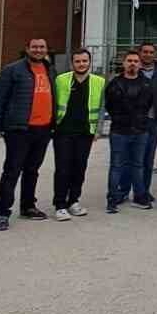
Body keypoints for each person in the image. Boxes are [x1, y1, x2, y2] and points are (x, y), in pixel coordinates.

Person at [0, 38, 56, 231]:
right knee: (12, 171)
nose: (38, 50)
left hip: (43, 128)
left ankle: (28, 206)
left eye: (42, 47)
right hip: (19, 129)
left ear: (46, 50)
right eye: (34, 47)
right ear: (27, 49)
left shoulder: (50, 69)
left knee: (32, 170)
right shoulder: (13, 70)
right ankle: (2, 212)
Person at [51, 48, 106, 221]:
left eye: (84, 61)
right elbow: (53, 103)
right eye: (78, 61)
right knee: (63, 169)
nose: (81, 64)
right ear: (72, 63)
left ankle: (73, 201)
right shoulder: (61, 80)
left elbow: (102, 107)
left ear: (89, 62)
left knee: (79, 168)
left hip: (85, 132)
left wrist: (98, 130)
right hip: (63, 131)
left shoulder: (99, 81)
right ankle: (60, 205)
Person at [105, 50, 154, 213]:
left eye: (135, 61)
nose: (132, 63)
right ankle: (112, 198)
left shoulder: (147, 84)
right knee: (116, 166)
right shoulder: (114, 84)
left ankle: (140, 197)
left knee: (138, 165)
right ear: (124, 63)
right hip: (119, 131)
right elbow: (109, 106)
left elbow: (148, 105)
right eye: (129, 61)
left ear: (140, 64)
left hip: (140, 131)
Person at [136, 42, 157, 207]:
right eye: (145, 52)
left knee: (148, 159)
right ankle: (124, 190)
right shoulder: (132, 70)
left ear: (155, 55)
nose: (147, 54)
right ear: (140, 53)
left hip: (153, 121)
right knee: (132, 159)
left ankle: (144, 191)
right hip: (134, 123)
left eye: (151, 52)